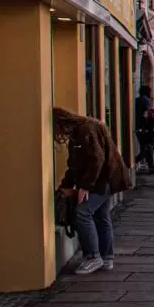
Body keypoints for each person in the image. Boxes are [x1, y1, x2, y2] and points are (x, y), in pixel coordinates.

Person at [52, 107, 133, 275]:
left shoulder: (85, 130)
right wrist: (66, 186)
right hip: (107, 177)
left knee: (82, 213)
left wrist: (85, 186)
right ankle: (106, 257)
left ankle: (93, 256)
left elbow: (97, 158)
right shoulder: (81, 130)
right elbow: (75, 165)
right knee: (101, 217)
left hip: (104, 180)